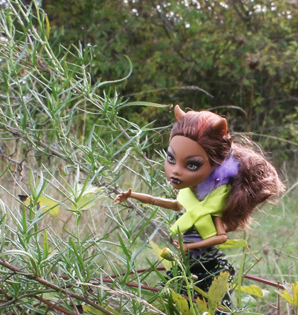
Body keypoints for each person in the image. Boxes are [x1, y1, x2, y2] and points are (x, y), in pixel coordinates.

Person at [115, 106, 284, 304]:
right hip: (185, 263)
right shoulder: (187, 196)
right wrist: (132, 195)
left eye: (192, 165)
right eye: (171, 158)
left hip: (207, 265)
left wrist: (190, 245)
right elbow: (162, 202)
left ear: (216, 164)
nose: (175, 171)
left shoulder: (213, 205)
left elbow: (220, 237)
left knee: (214, 310)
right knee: (177, 304)